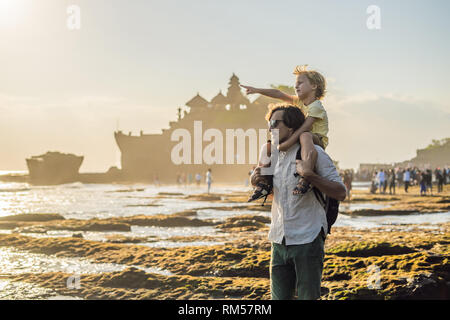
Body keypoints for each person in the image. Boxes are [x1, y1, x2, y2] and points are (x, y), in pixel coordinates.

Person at [250, 104, 346, 300]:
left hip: (308, 239)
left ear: (292, 127)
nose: (271, 128)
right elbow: (274, 194)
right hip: (278, 239)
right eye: (269, 123)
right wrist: (256, 179)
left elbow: (340, 192)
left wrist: (310, 175)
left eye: (276, 123)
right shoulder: (271, 155)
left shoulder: (313, 153)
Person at [242, 65, 329, 199]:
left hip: (316, 139)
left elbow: (304, 128)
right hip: (300, 137)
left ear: (314, 86)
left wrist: (287, 143)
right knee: (267, 146)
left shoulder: (316, 106)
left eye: (300, 83)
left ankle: (306, 176)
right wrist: (257, 90)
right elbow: (278, 94)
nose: (296, 86)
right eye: (296, 84)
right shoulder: (299, 101)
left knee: (305, 136)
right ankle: (264, 181)